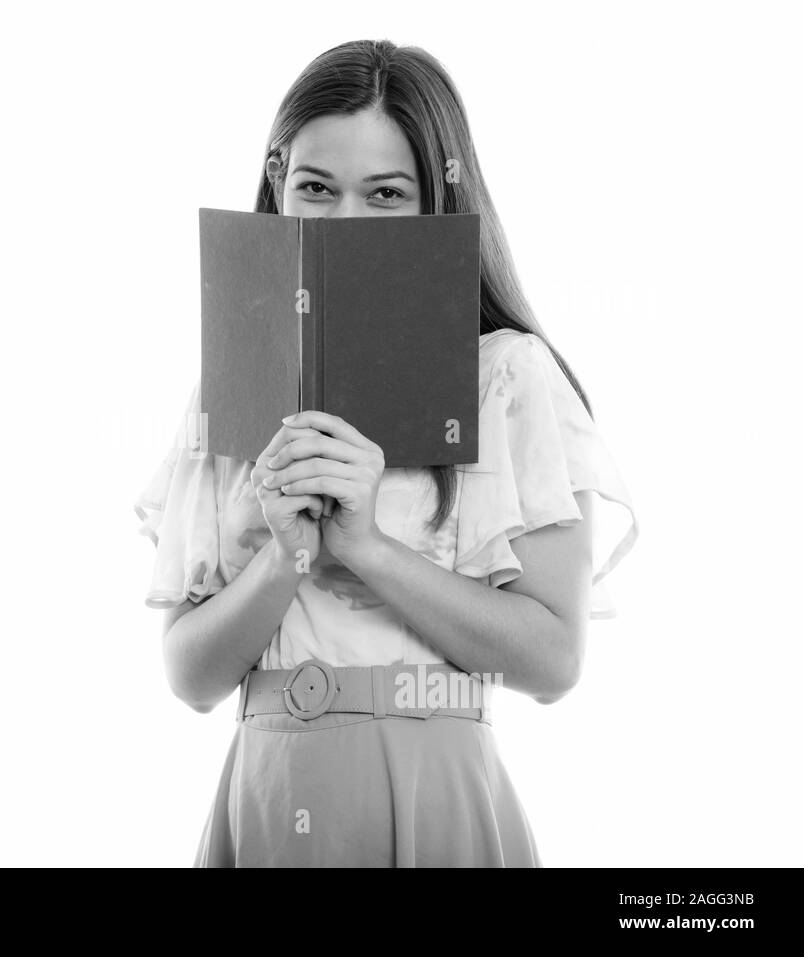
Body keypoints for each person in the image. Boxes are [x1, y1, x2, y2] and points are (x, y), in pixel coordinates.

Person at [132, 39, 640, 867]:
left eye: (386, 194)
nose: (344, 223)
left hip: (438, 795)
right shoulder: (235, 377)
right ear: (278, 185)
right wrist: (285, 556)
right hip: (267, 793)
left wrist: (366, 547)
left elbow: (553, 660)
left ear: (437, 200)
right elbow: (189, 677)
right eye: (317, 188)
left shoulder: (508, 375)